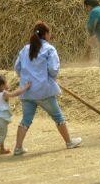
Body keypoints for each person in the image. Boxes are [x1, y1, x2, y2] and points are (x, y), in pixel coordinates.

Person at [13, 22, 82, 155]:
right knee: (58, 116)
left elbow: (17, 68)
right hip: (43, 89)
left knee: (26, 120)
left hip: (27, 91)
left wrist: (27, 77)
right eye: (49, 33)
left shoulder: (25, 49)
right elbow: (53, 69)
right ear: (45, 34)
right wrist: (51, 77)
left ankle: (18, 147)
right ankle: (69, 142)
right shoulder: (49, 49)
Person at [0, 74, 30, 158]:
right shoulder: (4, 94)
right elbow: (14, 94)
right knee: (2, 136)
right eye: (6, 83)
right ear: (2, 86)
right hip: (1, 118)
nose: (8, 84)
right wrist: (25, 87)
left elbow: (2, 96)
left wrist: (5, 89)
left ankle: (2, 149)